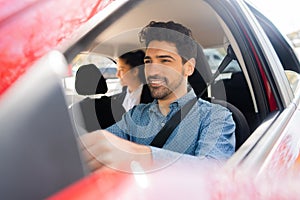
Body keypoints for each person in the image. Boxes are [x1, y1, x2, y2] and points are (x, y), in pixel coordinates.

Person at [80, 21, 236, 172]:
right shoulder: (136, 114)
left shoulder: (215, 116)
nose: (153, 71)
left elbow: (212, 171)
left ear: (188, 67)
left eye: (165, 61)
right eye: (148, 61)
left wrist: (140, 156)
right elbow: (104, 144)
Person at [95, 50, 153, 129]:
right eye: (117, 70)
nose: (117, 75)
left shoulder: (153, 98)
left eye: (121, 70)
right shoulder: (116, 99)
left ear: (135, 71)